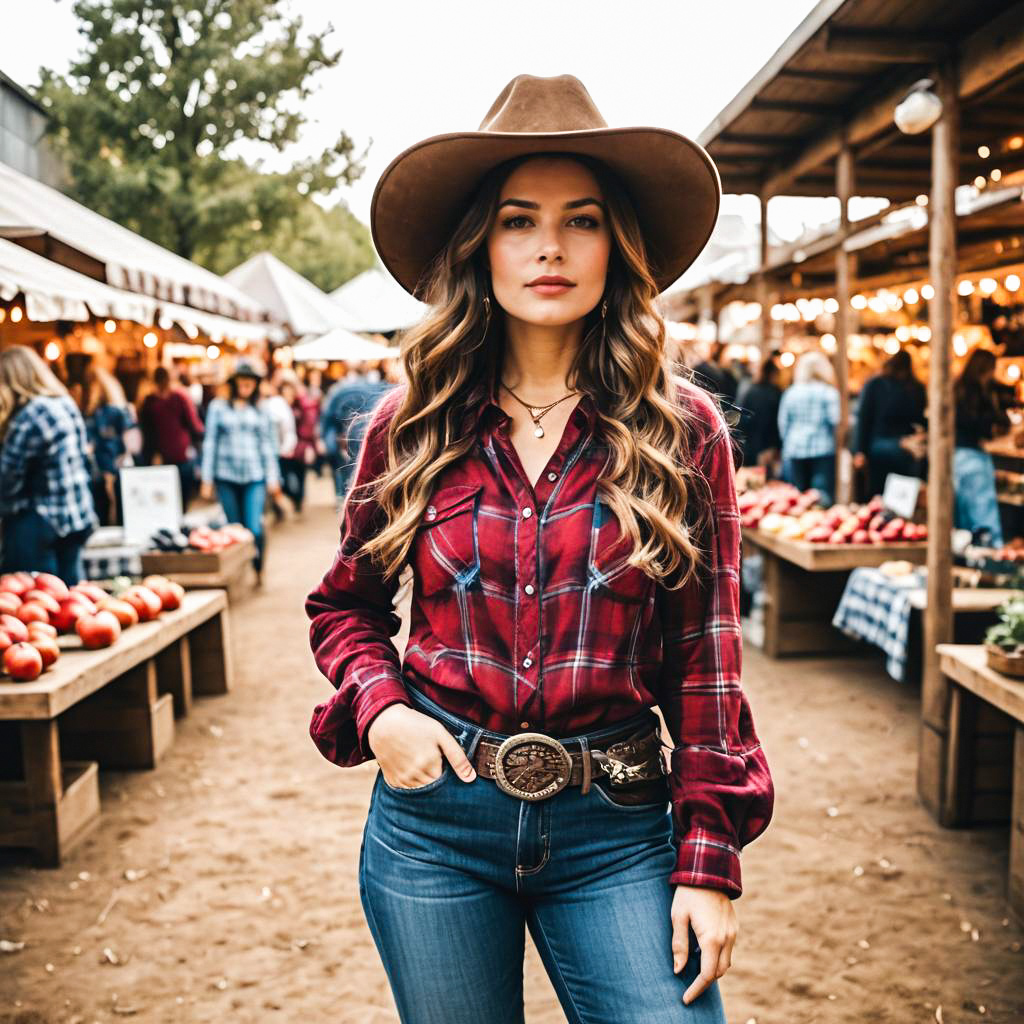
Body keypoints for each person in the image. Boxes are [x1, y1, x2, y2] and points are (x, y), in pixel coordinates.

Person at [305, 74, 775, 1024]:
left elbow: (708, 664)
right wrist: (382, 711)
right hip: (436, 823)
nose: (550, 247)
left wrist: (708, 861)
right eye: (519, 220)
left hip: (619, 828)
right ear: (482, 244)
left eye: (583, 220)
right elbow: (344, 608)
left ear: (619, 246)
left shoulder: (683, 433)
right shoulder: (409, 426)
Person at [0, 346, 97, 583]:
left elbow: (6, 480)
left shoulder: (29, 416)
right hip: (76, 518)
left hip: (38, 524)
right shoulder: (65, 404)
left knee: (33, 603)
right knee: (71, 603)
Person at [200, 357, 281, 582]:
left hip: (254, 475)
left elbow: (268, 445)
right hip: (225, 476)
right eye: (242, 380)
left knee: (254, 528)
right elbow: (210, 443)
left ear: (256, 384)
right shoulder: (218, 407)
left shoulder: (261, 409)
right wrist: (206, 479)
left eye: (250, 381)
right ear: (234, 382)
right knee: (234, 530)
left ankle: (258, 565)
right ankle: (240, 570)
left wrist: (273, 478)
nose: (246, 385)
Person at [953, 347, 1009, 546]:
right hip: (972, 455)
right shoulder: (978, 392)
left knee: (963, 512)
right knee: (982, 512)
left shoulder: (956, 387)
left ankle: (967, 551)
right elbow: (984, 423)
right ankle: (990, 555)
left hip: (955, 455)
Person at [853, 350, 927, 497]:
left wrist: (859, 450)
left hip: (879, 445)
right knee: (902, 493)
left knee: (878, 491)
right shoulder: (916, 387)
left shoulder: (875, 384)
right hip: (904, 448)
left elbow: (864, 418)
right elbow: (919, 419)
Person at [777, 350, 840, 505]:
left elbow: (783, 422)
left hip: (795, 448)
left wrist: (788, 442)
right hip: (823, 450)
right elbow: (835, 420)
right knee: (820, 498)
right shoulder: (829, 393)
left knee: (796, 499)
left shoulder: (791, 392)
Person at [140, 365, 205, 509]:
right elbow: (195, 426)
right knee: (178, 499)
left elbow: (147, 433)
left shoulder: (151, 401)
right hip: (177, 454)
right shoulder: (178, 397)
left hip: (167, 456)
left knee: (164, 500)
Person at [82, 365, 140, 525]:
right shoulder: (121, 409)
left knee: (104, 513)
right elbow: (133, 444)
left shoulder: (100, 412)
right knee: (122, 514)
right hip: (116, 468)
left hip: (104, 468)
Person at [279, 372, 320, 514]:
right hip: (283, 448)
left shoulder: (302, 403)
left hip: (300, 446)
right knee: (284, 477)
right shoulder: (278, 404)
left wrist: (309, 445)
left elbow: (309, 421)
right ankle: (294, 497)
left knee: (300, 475)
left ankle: (299, 500)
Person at [261, 374, 299, 522]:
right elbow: (288, 432)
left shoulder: (272, 403)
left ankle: (275, 510)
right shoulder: (279, 405)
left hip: (276, 451)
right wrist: (284, 449)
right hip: (276, 451)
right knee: (277, 481)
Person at [735, 355, 782, 471]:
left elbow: (742, 418)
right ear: (773, 374)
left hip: (749, 443)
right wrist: (774, 446)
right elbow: (775, 423)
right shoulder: (775, 393)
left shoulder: (751, 391)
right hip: (767, 444)